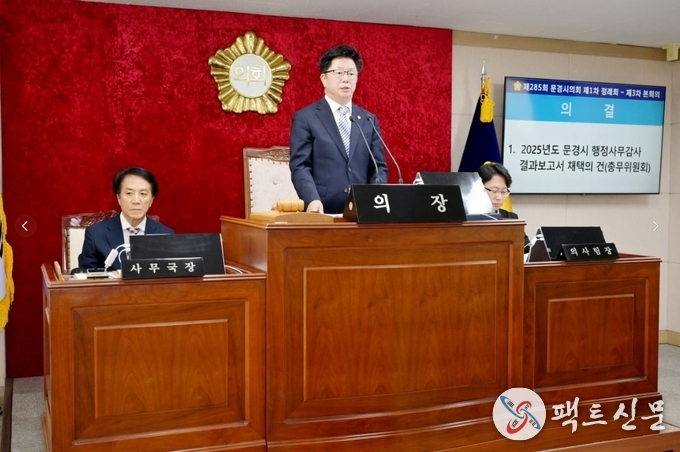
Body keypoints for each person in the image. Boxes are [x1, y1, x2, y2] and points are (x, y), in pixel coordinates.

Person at [289, 44, 389, 214]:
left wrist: (374, 198)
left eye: (351, 73)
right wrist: (311, 199)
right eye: (339, 72)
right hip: (323, 210)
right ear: (324, 79)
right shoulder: (306, 118)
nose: (345, 79)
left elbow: (378, 167)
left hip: (362, 211)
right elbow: (300, 166)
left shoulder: (368, 120)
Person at [78, 167, 174, 271]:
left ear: (151, 200)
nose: (136, 201)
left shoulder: (166, 235)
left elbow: (170, 274)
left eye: (143, 194)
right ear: (119, 198)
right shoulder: (96, 234)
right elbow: (86, 274)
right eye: (129, 193)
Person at [478, 162, 530, 250]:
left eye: (503, 192)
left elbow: (526, 249)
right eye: (494, 191)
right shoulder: (466, 219)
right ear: (479, 188)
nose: (499, 197)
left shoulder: (511, 218)